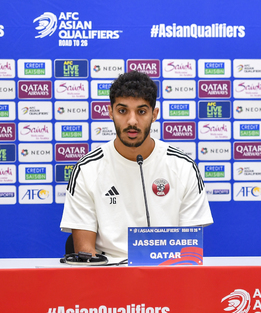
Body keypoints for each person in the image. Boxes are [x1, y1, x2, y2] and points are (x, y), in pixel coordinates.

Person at [60, 70, 213, 259]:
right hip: (107, 278)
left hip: (167, 276)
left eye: (141, 111)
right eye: (123, 111)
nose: (132, 121)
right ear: (110, 112)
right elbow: (86, 256)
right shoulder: (87, 169)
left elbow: (190, 254)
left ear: (154, 114)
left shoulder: (183, 167)